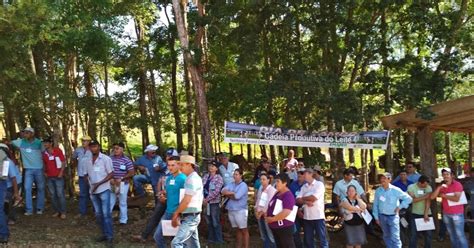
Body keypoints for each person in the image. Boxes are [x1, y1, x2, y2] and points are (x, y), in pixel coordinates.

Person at [85, 140, 114, 246]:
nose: (93, 148)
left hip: (104, 189)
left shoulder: (106, 159)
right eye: (91, 147)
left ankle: (110, 236)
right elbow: (87, 175)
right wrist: (90, 185)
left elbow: (111, 174)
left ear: (99, 147)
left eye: (95, 146)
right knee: (98, 214)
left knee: (106, 214)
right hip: (93, 191)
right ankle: (104, 234)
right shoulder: (88, 160)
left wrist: (98, 184)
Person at [153, 155, 186, 247]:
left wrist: (179, 214)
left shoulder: (183, 179)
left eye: (173, 165)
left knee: (178, 241)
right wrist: (163, 197)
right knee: (157, 236)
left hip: (178, 214)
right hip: (168, 212)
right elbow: (169, 193)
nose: (170, 167)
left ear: (179, 165)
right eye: (169, 165)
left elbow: (186, 198)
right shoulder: (169, 179)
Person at [171, 155, 203, 247]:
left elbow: (187, 200)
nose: (180, 167)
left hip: (191, 217)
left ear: (189, 165)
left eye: (182, 165)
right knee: (193, 245)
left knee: (176, 243)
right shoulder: (191, 178)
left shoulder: (192, 179)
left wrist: (176, 213)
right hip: (191, 216)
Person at [431, 168, 468, 248]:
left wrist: (444, 196)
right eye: (444, 174)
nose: (445, 176)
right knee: (452, 235)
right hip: (446, 214)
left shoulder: (457, 184)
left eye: (447, 174)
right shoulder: (442, 186)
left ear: (452, 175)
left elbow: (456, 199)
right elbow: (432, 197)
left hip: (457, 214)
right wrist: (438, 188)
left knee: (460, 235)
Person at [373, 172, 412, 248]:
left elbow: (408, 199)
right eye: (381, 178)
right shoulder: (378, 191)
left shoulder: (395, 190)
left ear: (389, 179)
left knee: (395, 237)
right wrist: (376, 217)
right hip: (382, 217)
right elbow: (375, 204)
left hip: (393, 217)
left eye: (384, 178)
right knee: (386, 236)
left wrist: (400, 207)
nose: (382, 180)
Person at [11, 127, 45, 215]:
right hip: (28, 170)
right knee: (27, 189)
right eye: (24, 133)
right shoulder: (22, 142)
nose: (25, 134)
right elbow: (12, 143)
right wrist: (22, 138)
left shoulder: (39, 142)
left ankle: (39, 208)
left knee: (41, 188)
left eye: (27, 133)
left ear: (32, 134)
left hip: (39, 169)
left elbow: (44, 152)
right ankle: (29, 209)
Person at [296, 168, 328, 248]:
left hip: (318, 217)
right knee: (308, 240)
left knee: (322, 239)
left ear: (311, 174)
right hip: (307, 217)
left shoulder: (319, 185)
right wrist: (306, 201)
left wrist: (303, 198)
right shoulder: (304, 187)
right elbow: (297, 200)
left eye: (305, 174)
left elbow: (313, 198)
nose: (303, 176)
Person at [265, 173, 296, 248]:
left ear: (285, 183)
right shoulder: (277, 193)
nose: (276, 183)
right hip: (276, 227)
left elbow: (286, 212)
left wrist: (272, 219)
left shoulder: (288, 195)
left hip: (284, 228)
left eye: (278, 181)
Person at [222, 169, 249, 248]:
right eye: (234, 174)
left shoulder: (243, 185)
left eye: (237, 174)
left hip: (240, 210)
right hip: (232, 209)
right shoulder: (231, 184)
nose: (235, 176)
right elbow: (223, 191)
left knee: (244, 229)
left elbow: (237, 197)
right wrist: (232, 193)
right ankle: (239, 246)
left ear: (241, 175)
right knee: (238, 229)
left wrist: (229, 194)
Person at [109, 142, 134, 225]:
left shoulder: (127, 160)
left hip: (123, 184)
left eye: (117, 148)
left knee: (122, 202)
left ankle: (123, 220)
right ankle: (107, 219)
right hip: (112, 183)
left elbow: (131, 172)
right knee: (110, 201)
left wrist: (122, 178)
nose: (115, 150)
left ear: (122, 149)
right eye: (114, 148)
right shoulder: (110, 159)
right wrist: (111, 179)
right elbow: (106, 170)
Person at [42, 137, 67, 219]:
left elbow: (63, 162)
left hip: (58, 176)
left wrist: (61, 172)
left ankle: (63, 212)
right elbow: (44, 163)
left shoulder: (57, 150)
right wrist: (45, 172)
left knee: (60, 194)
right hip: (49, 177)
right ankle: (57, 211)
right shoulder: (44, 153)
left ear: (51, 143)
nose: (45, 144)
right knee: (53, 195)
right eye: (44, 143)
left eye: (46, 142)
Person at [407, 175, 433, 248]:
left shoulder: (428, 187)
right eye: (424, 185)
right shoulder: (411, 187)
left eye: (426, 185)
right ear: (419, 183)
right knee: (413, 234)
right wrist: (424, 197)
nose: (426, 186)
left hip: (427, 213)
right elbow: (412, 200)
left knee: (429, 234)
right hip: (415, 213)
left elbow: (428, 201)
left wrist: (426, 214)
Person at [202, 161, 224, 244]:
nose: (211, 167)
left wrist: (207, 199)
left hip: (214, 203)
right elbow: (201, 187)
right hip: (205, 203)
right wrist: (203, 199)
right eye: (210, 166)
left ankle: (219, 240)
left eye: (213, 166)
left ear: (216, 168)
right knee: (209, 221)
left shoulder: (219, 178)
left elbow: (217, 191)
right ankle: (211, 239)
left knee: (215, 222)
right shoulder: (205, 176)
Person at [72, 135, 92, 217]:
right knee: (82, 193)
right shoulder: (78, 149)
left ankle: (95, 211)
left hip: (91, 176)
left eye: (86, 141)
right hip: (81, 175)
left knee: (93, 193)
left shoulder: (92, 150)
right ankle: (82, 212)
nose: (84, 142)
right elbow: (74, 158)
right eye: (83, 140)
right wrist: (76, 166)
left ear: (89, 142)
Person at [255, 172, 277, 248]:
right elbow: (258, 200)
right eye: (261, 179)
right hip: (260, 215)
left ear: (268, 180)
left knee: (270, 234)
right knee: (263, 234)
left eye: (264, 179)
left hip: (267, 215)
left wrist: (261, 213)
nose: (262, 181)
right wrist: (256, 211)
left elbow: (269, 203)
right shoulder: (261, 188)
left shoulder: (271, 190)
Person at [288, 168, 305, 248]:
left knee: (308, 233)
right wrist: (297, 209)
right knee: (295, 231)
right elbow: (290, 199)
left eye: (301, 173)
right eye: (298, 173)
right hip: (294, 211)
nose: (299, 174)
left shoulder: (307, 185)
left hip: (306, 212)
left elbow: (307, 199)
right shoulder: (292, 185)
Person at [463, 167, 474, 244]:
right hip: (471, 208)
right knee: (472, 226)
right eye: (472, 173)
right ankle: (471, 242)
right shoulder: (468, 184)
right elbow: (463, 194)